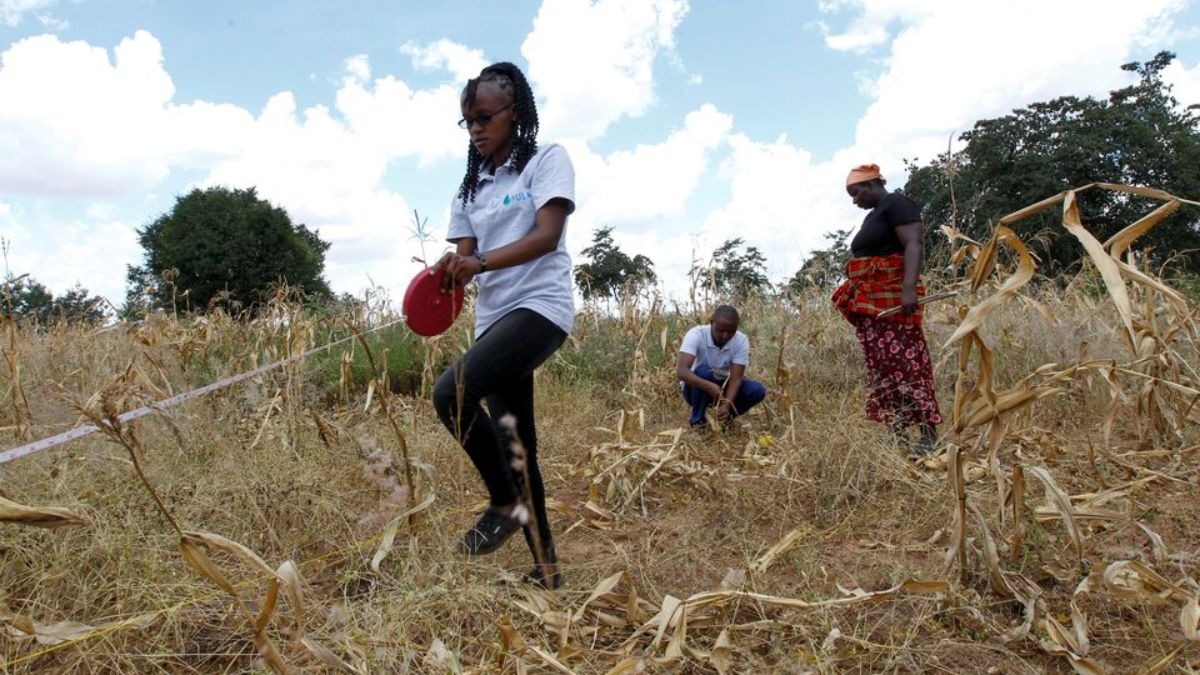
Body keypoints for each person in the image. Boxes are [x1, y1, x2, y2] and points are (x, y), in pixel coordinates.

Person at [431, 61, 574, 589]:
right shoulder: (470, 189)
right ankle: (548, 571)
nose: (475, 129)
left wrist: (479, 262)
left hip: (540, 309)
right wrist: (449, 272)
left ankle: (504, 504)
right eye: (468, 121)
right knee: (518, 448)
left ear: (514, 113)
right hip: (494, 321)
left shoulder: (545, 160)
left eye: (485, 117)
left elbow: (546, 236)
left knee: (451, 392)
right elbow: (465, 260)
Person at [832, 164, 943, 457]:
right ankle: (897, 432)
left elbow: (913, 244)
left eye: (856, 193)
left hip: (892, 300)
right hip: (873, 305)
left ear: (872, 184)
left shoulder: (897, 204)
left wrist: (908, 289)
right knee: (884, 369)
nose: (855, 201)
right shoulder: (875, 214)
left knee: (908, 365)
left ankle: (929, 434)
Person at [675, 305, 767, 428]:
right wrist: (708, 386)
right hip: (695, 389)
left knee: (757, 390)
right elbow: (681, 371)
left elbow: (736, 379)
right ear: (711, 322)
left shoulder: (741, 341)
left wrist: (726, 405)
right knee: (704, 371)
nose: (725, 336)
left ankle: (724, 419)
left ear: (736, 328)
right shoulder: (696, 334)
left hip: (723, 388)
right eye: (720, 330)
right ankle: (698, 423)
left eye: (730, 332)